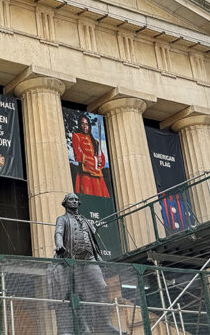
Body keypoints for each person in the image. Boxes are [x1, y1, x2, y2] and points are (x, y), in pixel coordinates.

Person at [50, 193, 126, 335]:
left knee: (102, 287)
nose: (74, 201)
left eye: (76, 200)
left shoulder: (85, 220)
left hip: (89, 258)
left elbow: (92, 238)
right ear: (65, 203)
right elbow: (58, 233)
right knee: (79, 293)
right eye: (71, 199)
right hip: (73, 259)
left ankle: (105, 324)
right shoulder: (62, 219)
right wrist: (59, 245)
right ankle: (84, 328)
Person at [71, 115, 110, 198]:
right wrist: (95, 160)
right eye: (82, 124)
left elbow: (102, 160)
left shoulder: (95, 141)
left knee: (101, 199)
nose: (85, 126)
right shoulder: (76, 136)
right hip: (84, 173)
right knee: (87, 198)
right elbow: (78, 155)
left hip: (98, 176)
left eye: (87, 124)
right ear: (79, 125)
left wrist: (99, 161)